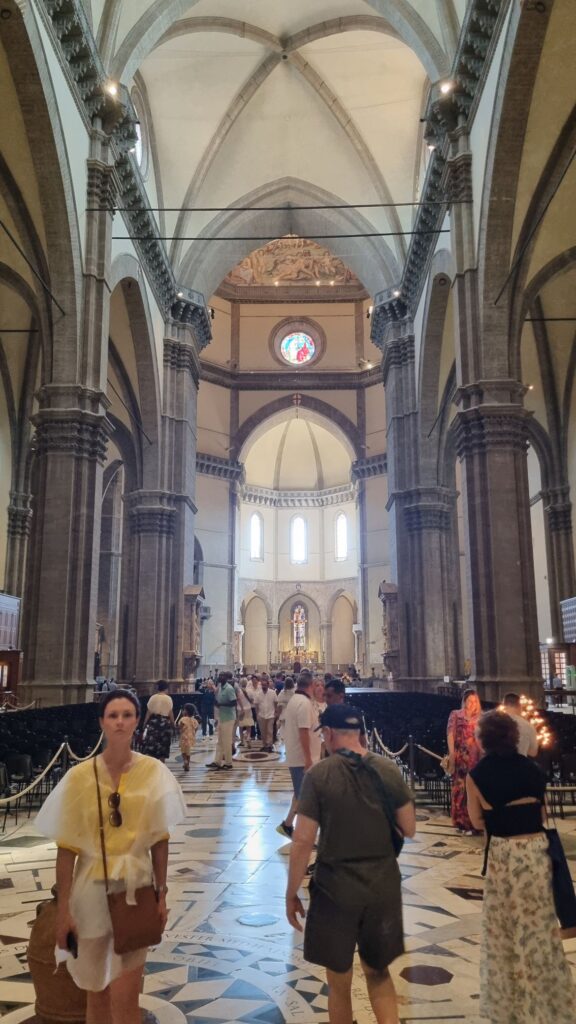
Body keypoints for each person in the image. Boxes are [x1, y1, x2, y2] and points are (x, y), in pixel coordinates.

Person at [35, 690, 186, 1024]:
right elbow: (67, 849)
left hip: (135, 890)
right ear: (102, 722)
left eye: (127, 715)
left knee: (127, 996)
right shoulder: (79, 777)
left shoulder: (153, 772)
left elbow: (160, 840)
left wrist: (161, 894)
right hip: (90, 893)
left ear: (137, 721)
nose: (120, 722)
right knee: (96, 992)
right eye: (113, 715)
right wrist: (64, 911)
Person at [286, 704, 415, 1024]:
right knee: (379, 973)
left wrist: (291, 892)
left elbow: (303, 841)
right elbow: (410, 827)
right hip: (382, 884)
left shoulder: (319, 775)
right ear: (359, 732)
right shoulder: (387, 768)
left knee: (339, 982)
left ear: (329, 733)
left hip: (335, 888)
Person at [466, 710, 576, 1024]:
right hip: (536, 852)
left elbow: (476, 821)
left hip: (504, 856)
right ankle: (549, 1005)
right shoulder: (533, 769)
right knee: (539, 930)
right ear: (513, 737)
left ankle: (510, 1006)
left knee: (504, 931)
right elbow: (541, 814)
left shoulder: (477, 775)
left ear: (483, 740)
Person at [276, 671, 321, 839]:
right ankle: (305, 835)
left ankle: (287, 825)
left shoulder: (297, 700)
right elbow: (303, 732)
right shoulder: (303, 703)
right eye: (316, 685)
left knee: (300, 794)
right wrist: (308, 759)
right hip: (302, 759)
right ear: (311, 685)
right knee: (306, 798)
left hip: (299, 757)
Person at [446, 688, 482, 834]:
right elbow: (450, 734)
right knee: (460, 789)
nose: (472, 704)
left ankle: (474, 822)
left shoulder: (480, 718)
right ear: (464, 701)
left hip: (476, 758)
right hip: (461, 757)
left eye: (474, 701)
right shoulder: (456, 714)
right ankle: (461, 822)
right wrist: (452, 755)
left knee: (473, 790)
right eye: (469, 701)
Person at [206, 671, 237, 771]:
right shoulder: (220, 688)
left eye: (222, 676)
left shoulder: (229, 688)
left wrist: (221, 705)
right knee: (220, 741)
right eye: (220, 675)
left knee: (227, 741)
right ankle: (217, 762)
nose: (220, 677)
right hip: (221, 717)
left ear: (226, 678)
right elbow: (218, 701)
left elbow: (234, 702)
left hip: (228, 718)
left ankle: (228, 763)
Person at [141, 681, 174, 762]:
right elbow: (170, 713)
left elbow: (148, 712)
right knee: (163, 748)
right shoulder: (168, 698)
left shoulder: (153, 698)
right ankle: (162, 765)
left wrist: (144, 724)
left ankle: (153, 765)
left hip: (154, 724)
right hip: (165, 724)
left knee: (152, 747)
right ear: (166, 688)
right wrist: (173, 724)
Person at [501, 692, 538, 757]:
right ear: (519, 706)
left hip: (497, 762)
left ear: (503, 705)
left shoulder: (493, 722)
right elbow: (533, 753)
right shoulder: (528, 726)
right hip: (520, 762)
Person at [254, 674, 278, 752]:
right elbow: (256, 705)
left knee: (270, 731)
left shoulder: (273, 693)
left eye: (265, 685)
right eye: (262, 685)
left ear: (268, 685)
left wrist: (276, 713)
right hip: (261, 715)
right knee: (263, 731)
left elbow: (276, 703)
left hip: (270, 715)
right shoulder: (258, 694)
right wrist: (257, 714)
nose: (263, 686)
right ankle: (264, 745)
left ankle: (269, 745)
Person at [178, 704, 199, 771]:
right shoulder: (194, 720)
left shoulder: (183, 719)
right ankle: (188, 765)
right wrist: (193, 733)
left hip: (184, 738)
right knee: (188, 752)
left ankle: (185, 761)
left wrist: (180, 730)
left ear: (186, 711)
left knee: (183, 751)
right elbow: (196, 728)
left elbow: (180, 726)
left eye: (184, 710)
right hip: (191, 738)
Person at [235, 677, 254, 748]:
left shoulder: (238, 691)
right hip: (248, 708)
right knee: (248, 724)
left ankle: (242, 740)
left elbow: (237, 700)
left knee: (241, 725)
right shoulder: (250, 691)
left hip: (240, 709)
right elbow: (252, 700)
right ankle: (248, 736)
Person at [276, 675, 295, 742]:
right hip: (293, 713)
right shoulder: (295, 692)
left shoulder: (282, 693)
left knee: (283, 728)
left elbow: (279, 705)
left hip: (284, 713)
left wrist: (278, 715)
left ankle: (285, 740)